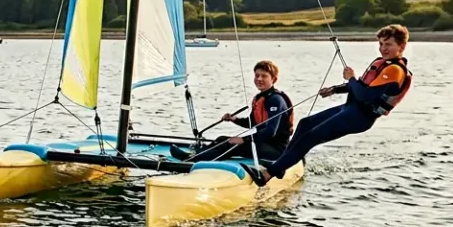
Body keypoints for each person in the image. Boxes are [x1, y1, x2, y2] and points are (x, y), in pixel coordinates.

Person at [244, 24, 413, 187]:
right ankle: (281, 165)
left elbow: (365, 95)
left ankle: (267, 175)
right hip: (349, 109)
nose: (383, 48)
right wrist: (334, 90)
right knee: (305, 124)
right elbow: (362, 86)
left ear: (401, 46)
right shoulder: (381, 63)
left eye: (388, 44)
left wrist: (351, 78)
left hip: (359, 117)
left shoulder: (395, 70)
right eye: (381, 44)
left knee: (310, 138)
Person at [171, 60, 294, 162]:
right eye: (257, 75)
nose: (259, 79)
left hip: (277, 150)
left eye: (264, 76)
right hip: (262, 144)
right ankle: (196, 156)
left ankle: (192, 160)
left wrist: (244, 140)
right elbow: (251, 123)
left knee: (233, 144)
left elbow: (270, 131)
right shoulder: (259, 98)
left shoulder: (276, 100)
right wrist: (234, 119)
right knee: (221, 139)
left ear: (273, 79)